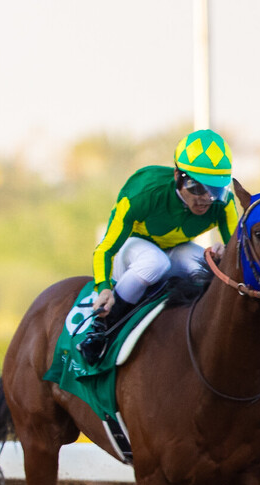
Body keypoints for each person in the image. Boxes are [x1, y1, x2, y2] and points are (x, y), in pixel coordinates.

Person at [77, 128, 238, 362]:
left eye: (215, 190)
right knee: (156, 262)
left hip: (176, 250)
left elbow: (236, 252)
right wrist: (103, 287)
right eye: (197, 188)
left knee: (209, 266)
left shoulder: (224, 205)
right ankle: (102, 328)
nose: (205, 198)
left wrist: (227, 251)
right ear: (177, 176)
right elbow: (105, 248)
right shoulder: (142, 193)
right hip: (133, 250)